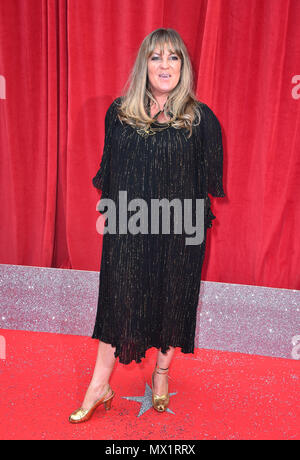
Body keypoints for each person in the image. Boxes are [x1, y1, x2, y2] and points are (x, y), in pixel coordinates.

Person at [69, 27, 225, 423]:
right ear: (145, 64)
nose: (165, 65)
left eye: (173, 57)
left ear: (183, 66)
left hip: (180, 231)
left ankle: (161, 375)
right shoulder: (119, 114)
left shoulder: (202, 120)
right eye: (156, 57)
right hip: (129, 228)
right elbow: (112, 174)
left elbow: (205, 185)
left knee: (172, 303)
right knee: (116, 302)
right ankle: (99, 383)